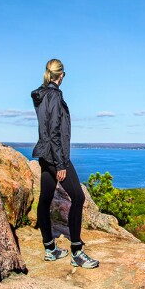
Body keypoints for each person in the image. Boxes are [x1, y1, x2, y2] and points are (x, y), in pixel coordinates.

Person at [30, 58, 99, 268]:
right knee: (78, 197)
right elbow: (54, 132)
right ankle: (77, 252)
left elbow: (46, 130)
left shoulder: (40, 95)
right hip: (55, 155)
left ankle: (50, 248)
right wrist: (61, 164)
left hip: (44, 153)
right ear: (61, 76)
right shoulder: (54, 96)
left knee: (45, 198)